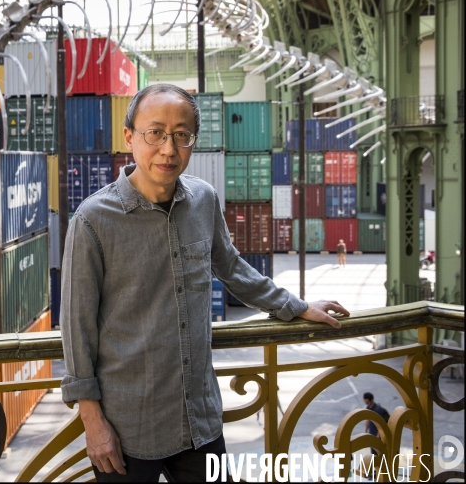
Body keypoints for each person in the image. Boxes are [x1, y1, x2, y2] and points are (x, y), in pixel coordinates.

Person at [60, 84, 350, 482]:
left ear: (193, 141)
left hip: (198, 419)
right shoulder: (92, 220)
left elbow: (231, 267)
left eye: (182, 135)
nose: (168, 148)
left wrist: (295, 306)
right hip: (127, 426)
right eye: (155, 133)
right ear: (129, 137)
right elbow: (76, 327)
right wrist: (92, 421)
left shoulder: (203, 200)